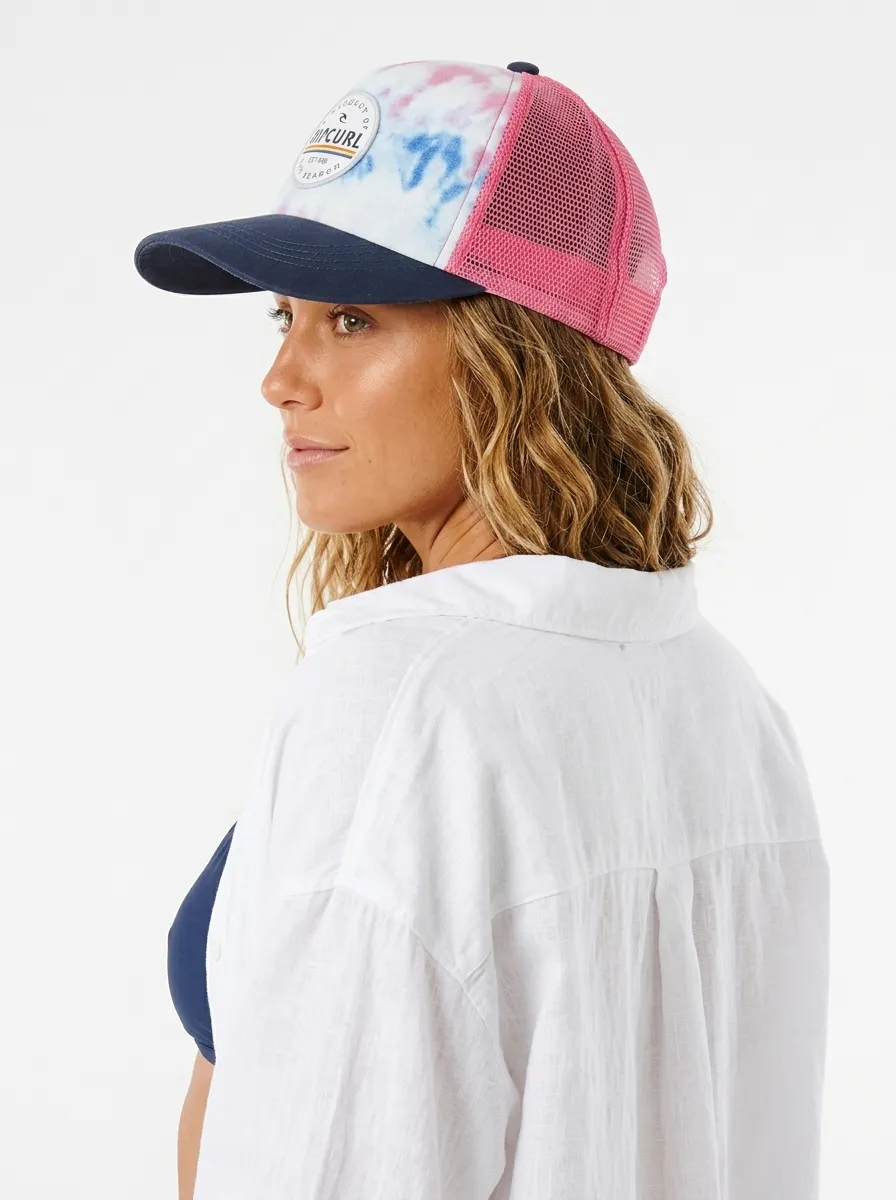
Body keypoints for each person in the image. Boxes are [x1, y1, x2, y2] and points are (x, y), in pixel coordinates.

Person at [135, 57, 830, 1200]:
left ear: (514, 359)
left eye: (349, 319)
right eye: (284, 316)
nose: (280, 378)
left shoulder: (401, 711)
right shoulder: (731, 707)